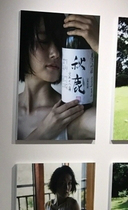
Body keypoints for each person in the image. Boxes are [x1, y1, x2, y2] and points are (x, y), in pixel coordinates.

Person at [17, 11, 98, 140]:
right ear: (23, 43)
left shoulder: (71, 113)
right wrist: (42, 133)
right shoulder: (3, 108)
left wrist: (100, 46)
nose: (56, 53)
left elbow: (112, 125)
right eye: (44, 41)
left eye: (60, 44)